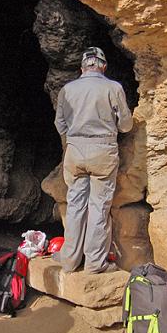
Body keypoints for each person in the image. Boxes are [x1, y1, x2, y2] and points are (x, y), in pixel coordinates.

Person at [53, 47, 133, 274]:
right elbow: (126, 124)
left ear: (82, 67)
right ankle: (95, 263)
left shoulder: (67, 89)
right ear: (103, 66)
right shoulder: (113, 87)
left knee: (76, 204)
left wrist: (75, 135)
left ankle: (69, 260)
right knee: (99, 207)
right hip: (103, 150)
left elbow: (60, 125)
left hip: (75, 150)